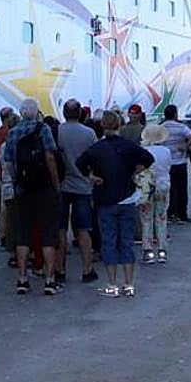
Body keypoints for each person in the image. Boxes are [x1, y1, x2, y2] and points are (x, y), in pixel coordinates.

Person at [76, 111, 154, 298]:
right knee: (126, 242)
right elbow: (149, 159)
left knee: (109, 242)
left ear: (102, 126)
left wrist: (91, 177)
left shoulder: (96, 148)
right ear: (119, 125)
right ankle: (129, 284)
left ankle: (112, 283)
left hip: (105, 200)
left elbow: (79, 163)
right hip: (127, 198)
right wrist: (136, 171)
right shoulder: (128, 146)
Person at [4, 98, 62, 296]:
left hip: (23, 189)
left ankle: (22, 278)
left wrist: (16, 182)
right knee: (48, 234)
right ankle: (49, 279)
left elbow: (9, 163)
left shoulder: (12, 133)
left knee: (23, 235)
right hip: (44, 188)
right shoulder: (43, 129)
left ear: (21, 114)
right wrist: (55, 184)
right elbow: (50, 158)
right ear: (36, 112)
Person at [55, 99, 98, 284]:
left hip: (62, 186)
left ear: (64, 113)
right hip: (83, 186)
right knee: (83, 229)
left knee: (61, 229)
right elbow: (95, 159)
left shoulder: (57, 131)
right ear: (80, 113)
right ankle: (87, 270)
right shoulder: (89, 133)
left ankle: (60, 269)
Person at [137, 124, 171, 264]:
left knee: (146, 219)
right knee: (161, 218)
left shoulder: (143, 150)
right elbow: (169, 167)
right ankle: (162, 250)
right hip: (163, 186)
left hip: (147, 187)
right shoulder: (166, 151)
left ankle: (148, 249)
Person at [161, 105, 191, 224]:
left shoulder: (161, 128)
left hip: (167, 163)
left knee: (169, 190)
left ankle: (169, 214)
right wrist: (186, 146)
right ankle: (182, 214)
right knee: (181, 189)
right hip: (180, 162)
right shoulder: (181, 127)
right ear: (175, 114)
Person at [0, 106, 16, 253]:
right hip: (9, 177)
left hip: (2, 175)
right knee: (9, 210)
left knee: (4, 209)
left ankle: (3, 237)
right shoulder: (9, 134)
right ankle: (10, 239)